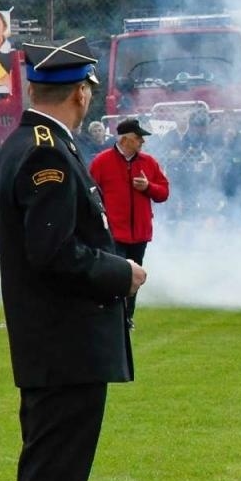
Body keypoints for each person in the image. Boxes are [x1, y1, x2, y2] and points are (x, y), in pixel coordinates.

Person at [0, 38, 146, 481]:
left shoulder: (36, 146)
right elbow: (53, 253)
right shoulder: (44, 154)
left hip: (61, 347)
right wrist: (121, 273)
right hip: (63, 348)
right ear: (82, 92)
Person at [88, 119, 170, 332]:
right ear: (125, 139)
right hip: (115, 231)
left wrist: (148, 187)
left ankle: (127, 317)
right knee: (116, 276)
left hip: (140, 232)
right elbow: (90, 193)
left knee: (134, 278)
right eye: (138, 138)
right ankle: (114, 315)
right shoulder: (101, 162)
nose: (142, 141)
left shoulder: (149, 162)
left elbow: (163, 193)